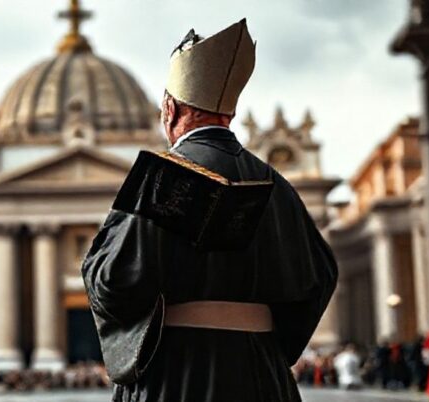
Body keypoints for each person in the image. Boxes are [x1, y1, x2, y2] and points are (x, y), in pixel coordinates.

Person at [81, 18, 338, 402]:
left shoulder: (165, 180)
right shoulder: (276, 184)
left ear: (169, 109)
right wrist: (264, 339)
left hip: (175, 373)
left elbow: (115, 282)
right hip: (262, 374)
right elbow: (320, 276)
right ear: (229, 113)